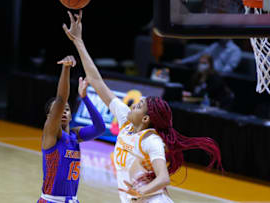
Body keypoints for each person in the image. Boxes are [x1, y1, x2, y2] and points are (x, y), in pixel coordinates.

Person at [63, 11, 223, 203]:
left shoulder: (151, 141)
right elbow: (96, 81)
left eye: (138, 106)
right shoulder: (125, 122)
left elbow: (163, 178)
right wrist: (78, 41)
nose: (132, 106)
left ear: (146, 119)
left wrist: (140, 192)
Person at [38, 55, 106, 203]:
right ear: (50, 117)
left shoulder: (75, 136)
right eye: (58, 110)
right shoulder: (51, 134)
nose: (63, 112)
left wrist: (85, 98)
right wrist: (66, 68)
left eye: (67, 110)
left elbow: (100, 128)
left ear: (71, 116)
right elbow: (61, 99)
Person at [176, 39, 242, 73]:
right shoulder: (215, 45)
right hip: (207, 74)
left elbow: (229, 67)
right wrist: (182, 61)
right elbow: (200, 55)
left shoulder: (235, 50)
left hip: (221, 77)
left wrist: (217, 74)